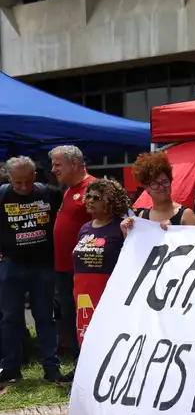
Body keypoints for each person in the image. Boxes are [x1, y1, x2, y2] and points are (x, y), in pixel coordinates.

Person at [0, 156, 63, 386]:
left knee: (46, 317)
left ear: (34, 176)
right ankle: (10, 368)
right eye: (18, 183)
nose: (24, 187)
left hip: (43, 265)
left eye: (28, 181)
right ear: (9, 179)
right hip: (11, 264)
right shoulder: (2, 195)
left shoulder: (49, 193)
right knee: (10, 318)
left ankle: (52, 368)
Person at [49, 144, 95, 365]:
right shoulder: (68, 190)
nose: (53, 169)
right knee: (70, 317)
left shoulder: (93, 189)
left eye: (58, 164)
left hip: (84, 269)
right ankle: (79, 362)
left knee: (85, 317)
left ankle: (87, 364)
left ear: (74, 163)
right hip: (64, 268)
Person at [73, 179, 129, 348]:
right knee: (84, 331)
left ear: (110, 201)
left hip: (107, 289)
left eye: (96, 198)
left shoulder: (121, 227)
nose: (89, 200)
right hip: (83, 290)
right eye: (88, 196)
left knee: (107, 333)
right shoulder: (85, 228)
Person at [132, 152, 195, 226]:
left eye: (165, 182)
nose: (161, 187)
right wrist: (126, 232)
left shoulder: (187, 216)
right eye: (154, 184)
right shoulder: (142, 217)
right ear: (146, 188)